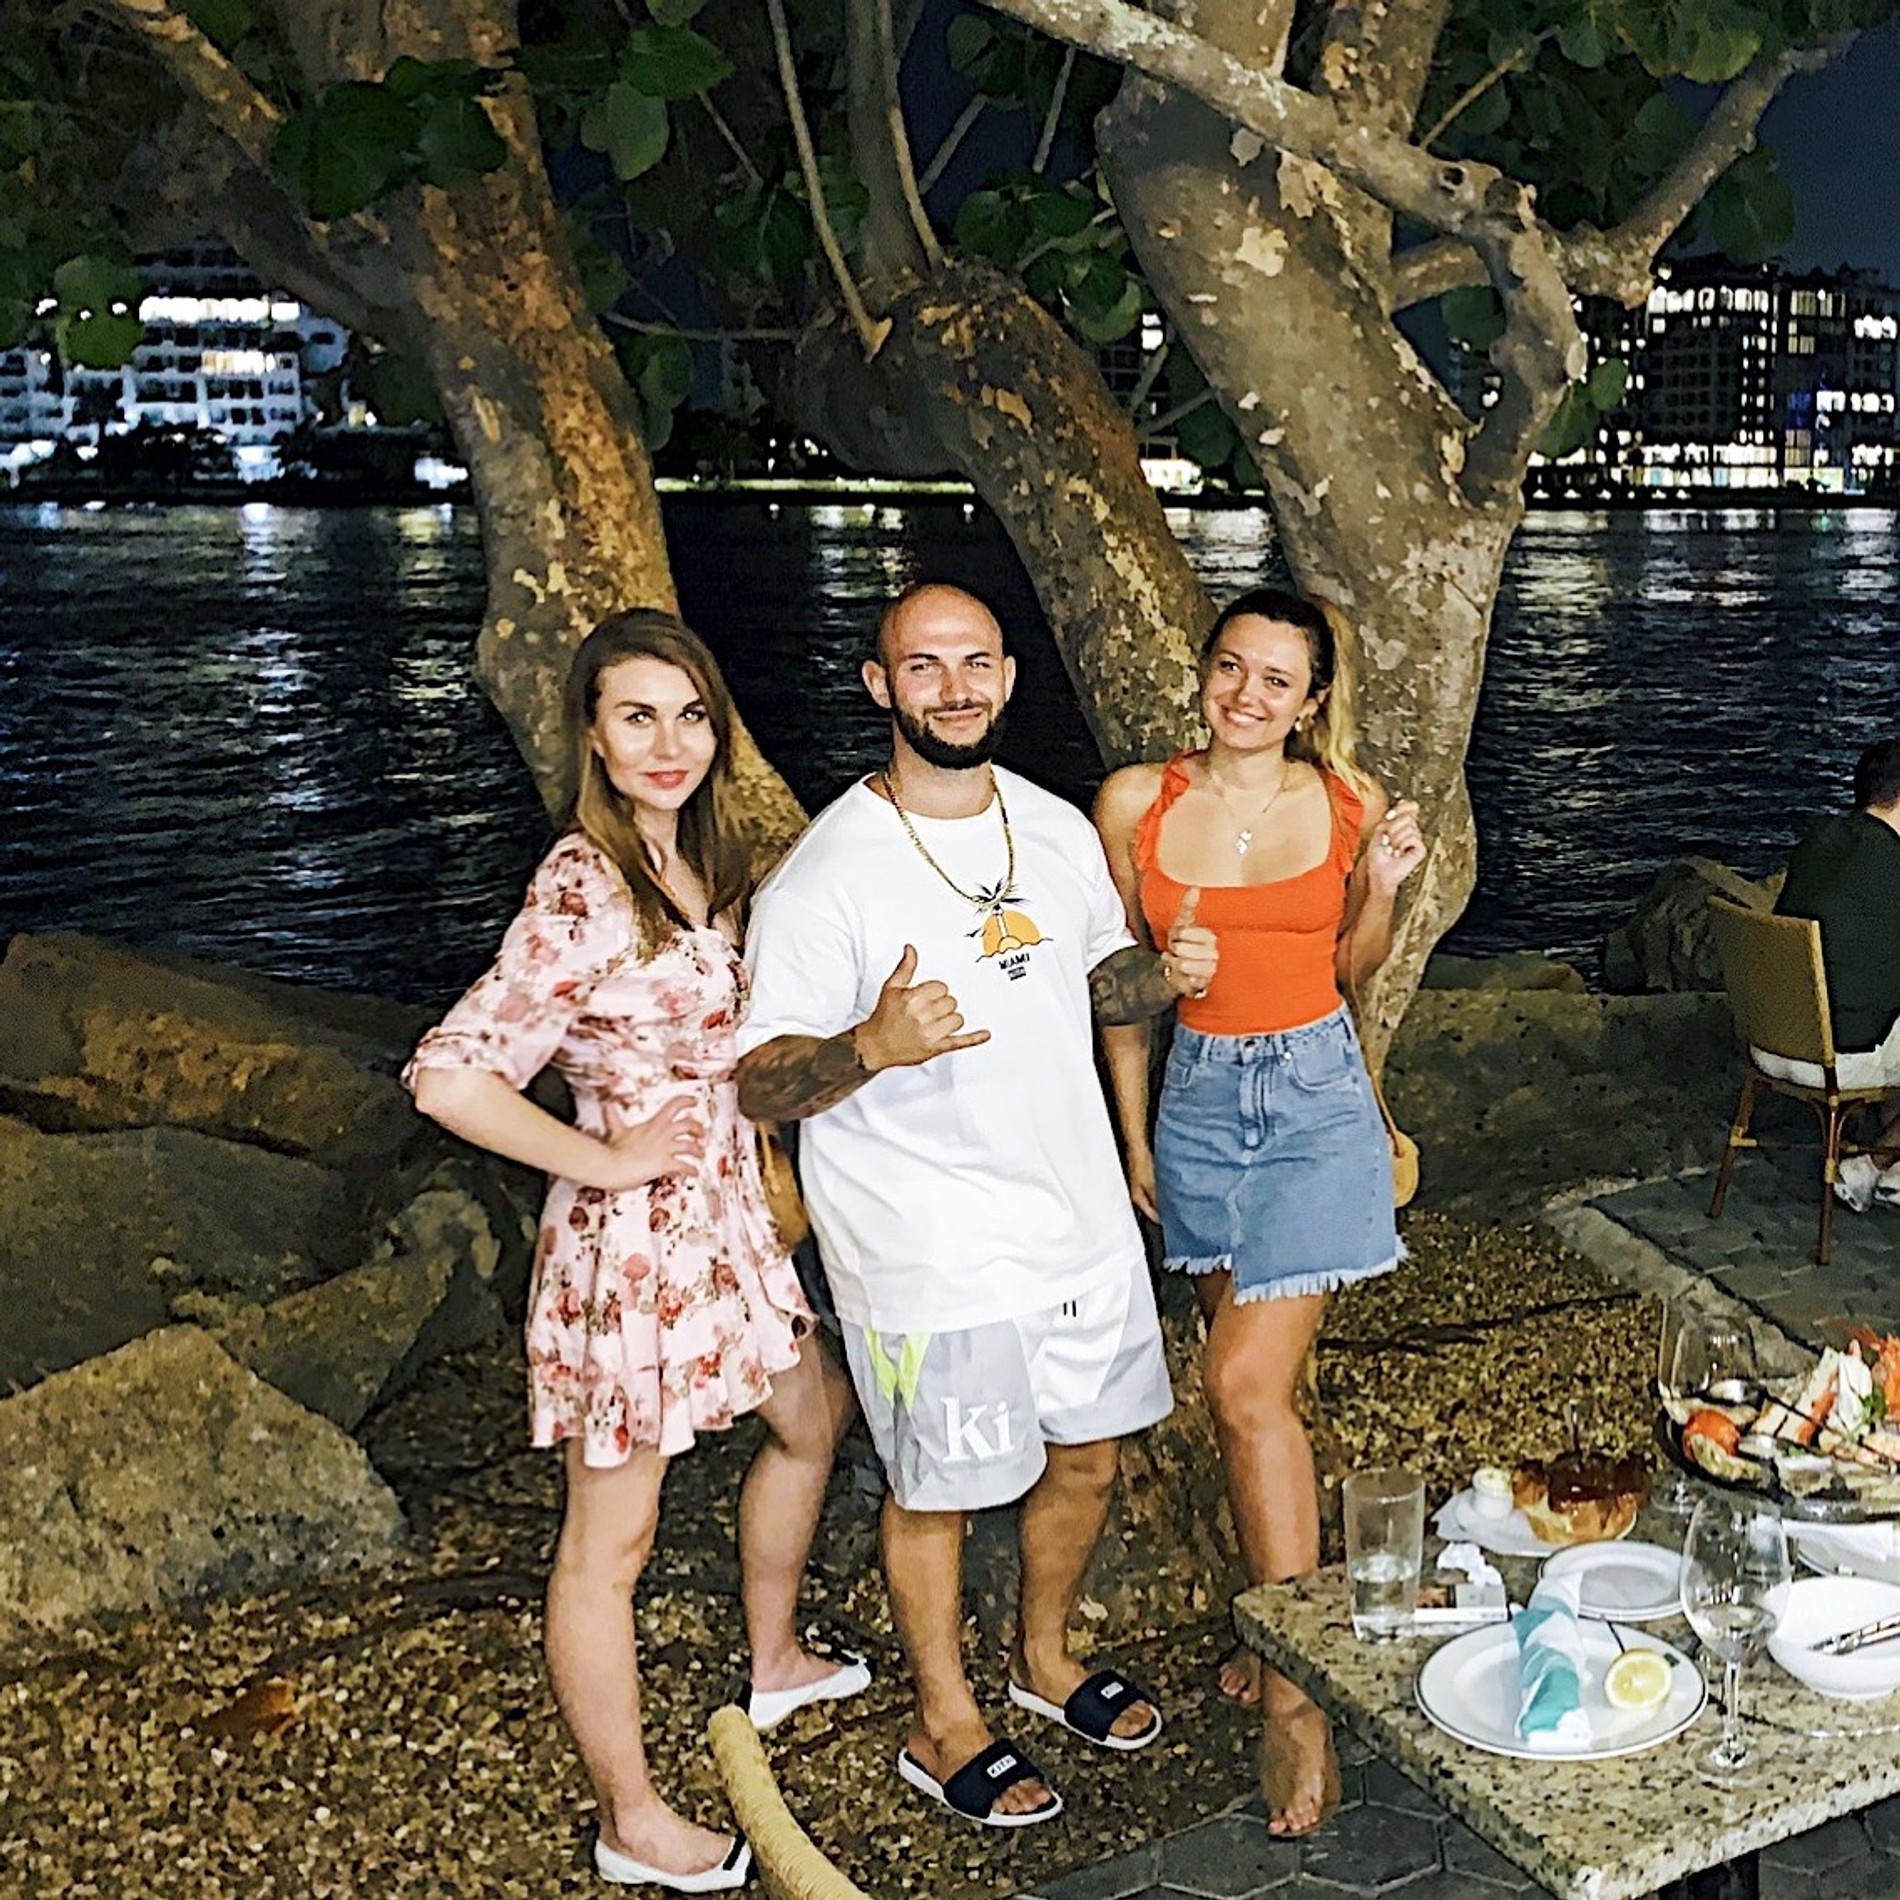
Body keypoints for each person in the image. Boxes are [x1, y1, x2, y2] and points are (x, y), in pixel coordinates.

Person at [733, 582, 1216, 1829]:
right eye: (923, 665)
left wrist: (1165, 974)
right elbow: (759, 1077)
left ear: (1005, 677)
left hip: (1077, 1221)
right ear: (879, 685)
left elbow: (1099, 978)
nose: (953, 688)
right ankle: (941, 1716)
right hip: (923, 1245)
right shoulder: (824, 876)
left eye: (975, 663)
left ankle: (1042, 1657)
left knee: (1090, 1457)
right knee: (935, 1490)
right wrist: (870, 1045)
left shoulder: (1051, 827)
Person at [405, 610, 861, 1894]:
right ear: (593, 738)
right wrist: (602, 1157)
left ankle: (773, 1662)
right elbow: (448, 1074)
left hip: (727, 1224)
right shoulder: (583, 888)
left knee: (811, 1415)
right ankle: (632, 1816)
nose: (669, 743)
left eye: (690, 715)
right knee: (609, 1543)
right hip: (633, 1249)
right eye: (636, 717)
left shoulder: (697, 860)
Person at [1091, 586, 1424, 1838]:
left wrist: (1379, 886)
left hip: (1317, 1100)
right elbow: (1120, 988)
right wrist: (1135, 1134)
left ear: (1311, 699)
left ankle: (1297, 1699)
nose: (1246, 694)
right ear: (1205, 671)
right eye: (1230, 666)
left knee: (1241, 1386)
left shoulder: (1349, 802)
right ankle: (1278, 1614)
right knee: (1254, 1404)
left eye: (1276, 678)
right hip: (1197, 1104)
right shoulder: (1135, 802)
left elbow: (1350, 968)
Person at [1771, 735, 1900, 1212]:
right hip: (1830, 1058)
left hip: (1774, 1038)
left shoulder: (1820, 840)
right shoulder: (1891, 863)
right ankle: (1872, 1164)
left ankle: (1894, 1172)